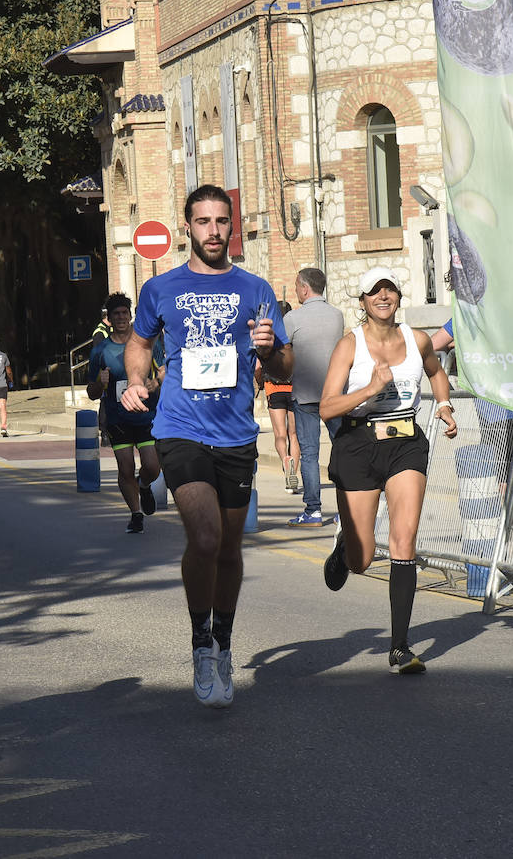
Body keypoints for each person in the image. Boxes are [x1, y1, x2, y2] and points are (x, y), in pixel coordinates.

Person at [121, 184, 291, 708]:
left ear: (230, 225)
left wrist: (271, 352)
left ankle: (223, 642)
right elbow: (140, 342)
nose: (214, 231)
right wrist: (135, 380)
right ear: (187, 227)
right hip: (179, 429)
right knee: (206, 538)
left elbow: (285, 368)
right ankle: (200, 642)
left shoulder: (256, 288)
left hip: (237, 433)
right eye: (203, 222)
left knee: (231, 550)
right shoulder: (161, 288)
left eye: (222, 221)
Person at [319, 267, 457, 673]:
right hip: (358, 445)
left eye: (390, 290)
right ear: (362, 302)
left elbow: (435, 372)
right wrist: (368, 391)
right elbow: (327, 406)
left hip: (405, 444)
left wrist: (444, 405)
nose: (383, 297)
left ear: (398, 297)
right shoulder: (350, 346)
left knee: (404, 539)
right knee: (363, 559)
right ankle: (348, 548)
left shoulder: (417, 340)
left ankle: (399, 646)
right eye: (374, 292)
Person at [431, 321, 513, 570]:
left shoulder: (468, 311)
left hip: (496, 412)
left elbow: (431, 344)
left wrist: (462, 343)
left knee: (509, 486)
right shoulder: (507, 304)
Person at [87, 292, 162, 534]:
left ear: (130, 317)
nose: (120, 317)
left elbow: (163, 370)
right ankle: (136, 514)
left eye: (124, 313)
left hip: (146, 415)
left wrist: (155, 384)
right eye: (115, 314)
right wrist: (100, 382)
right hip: (117, 418)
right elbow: (91, 392)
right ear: (108, 318)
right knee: (125, 467)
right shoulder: (100, 351)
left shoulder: (146, 344)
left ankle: (145, 484)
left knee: (153, 466)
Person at [284, 266, 346, 527]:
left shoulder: (292, 319)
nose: (297, 290)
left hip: (305, 395)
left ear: (304, 287)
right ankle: (347, 510)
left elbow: (282, 352)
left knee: (309, 454)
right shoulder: (337, 316)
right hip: (335, 395)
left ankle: (313, 511)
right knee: (343, 449)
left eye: (297, 285)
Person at [257, 299, 300, 495]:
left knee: (280, 435)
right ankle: (294, 476)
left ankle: (285, 460)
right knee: (294, 435)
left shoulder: (267, 337)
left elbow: (258, 367)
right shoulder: (292, 339)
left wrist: (259, 383)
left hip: (273, 389)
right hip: (294, 388)